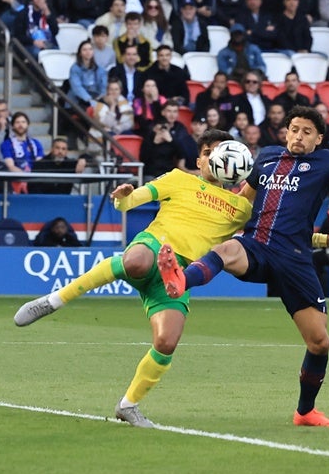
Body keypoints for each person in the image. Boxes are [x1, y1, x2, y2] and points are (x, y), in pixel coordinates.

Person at [159, 106, 329, 427]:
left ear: (318, 138)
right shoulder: (265, 157)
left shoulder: (327, 163)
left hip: (294, 259)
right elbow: (243, 200)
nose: (298, 136)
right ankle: (179, 280)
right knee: (226, 250)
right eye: (294, 129)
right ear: (286, 131)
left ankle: (305, 412)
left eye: (307, 132)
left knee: (319, 342)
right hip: (257, 246)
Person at [15, 130, 262, 426]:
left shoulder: (241, 209)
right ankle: (53, 300)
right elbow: (129, 203)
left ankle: (128, 405)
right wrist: (121, 198)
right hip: (155, 247)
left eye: (221, 152)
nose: (214, 158)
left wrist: (322, 240)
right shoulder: (178, 178)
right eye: (208, 152)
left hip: (179, 276)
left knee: (167, 342)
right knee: (135, 261)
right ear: (199, 160)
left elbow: (274, 236)